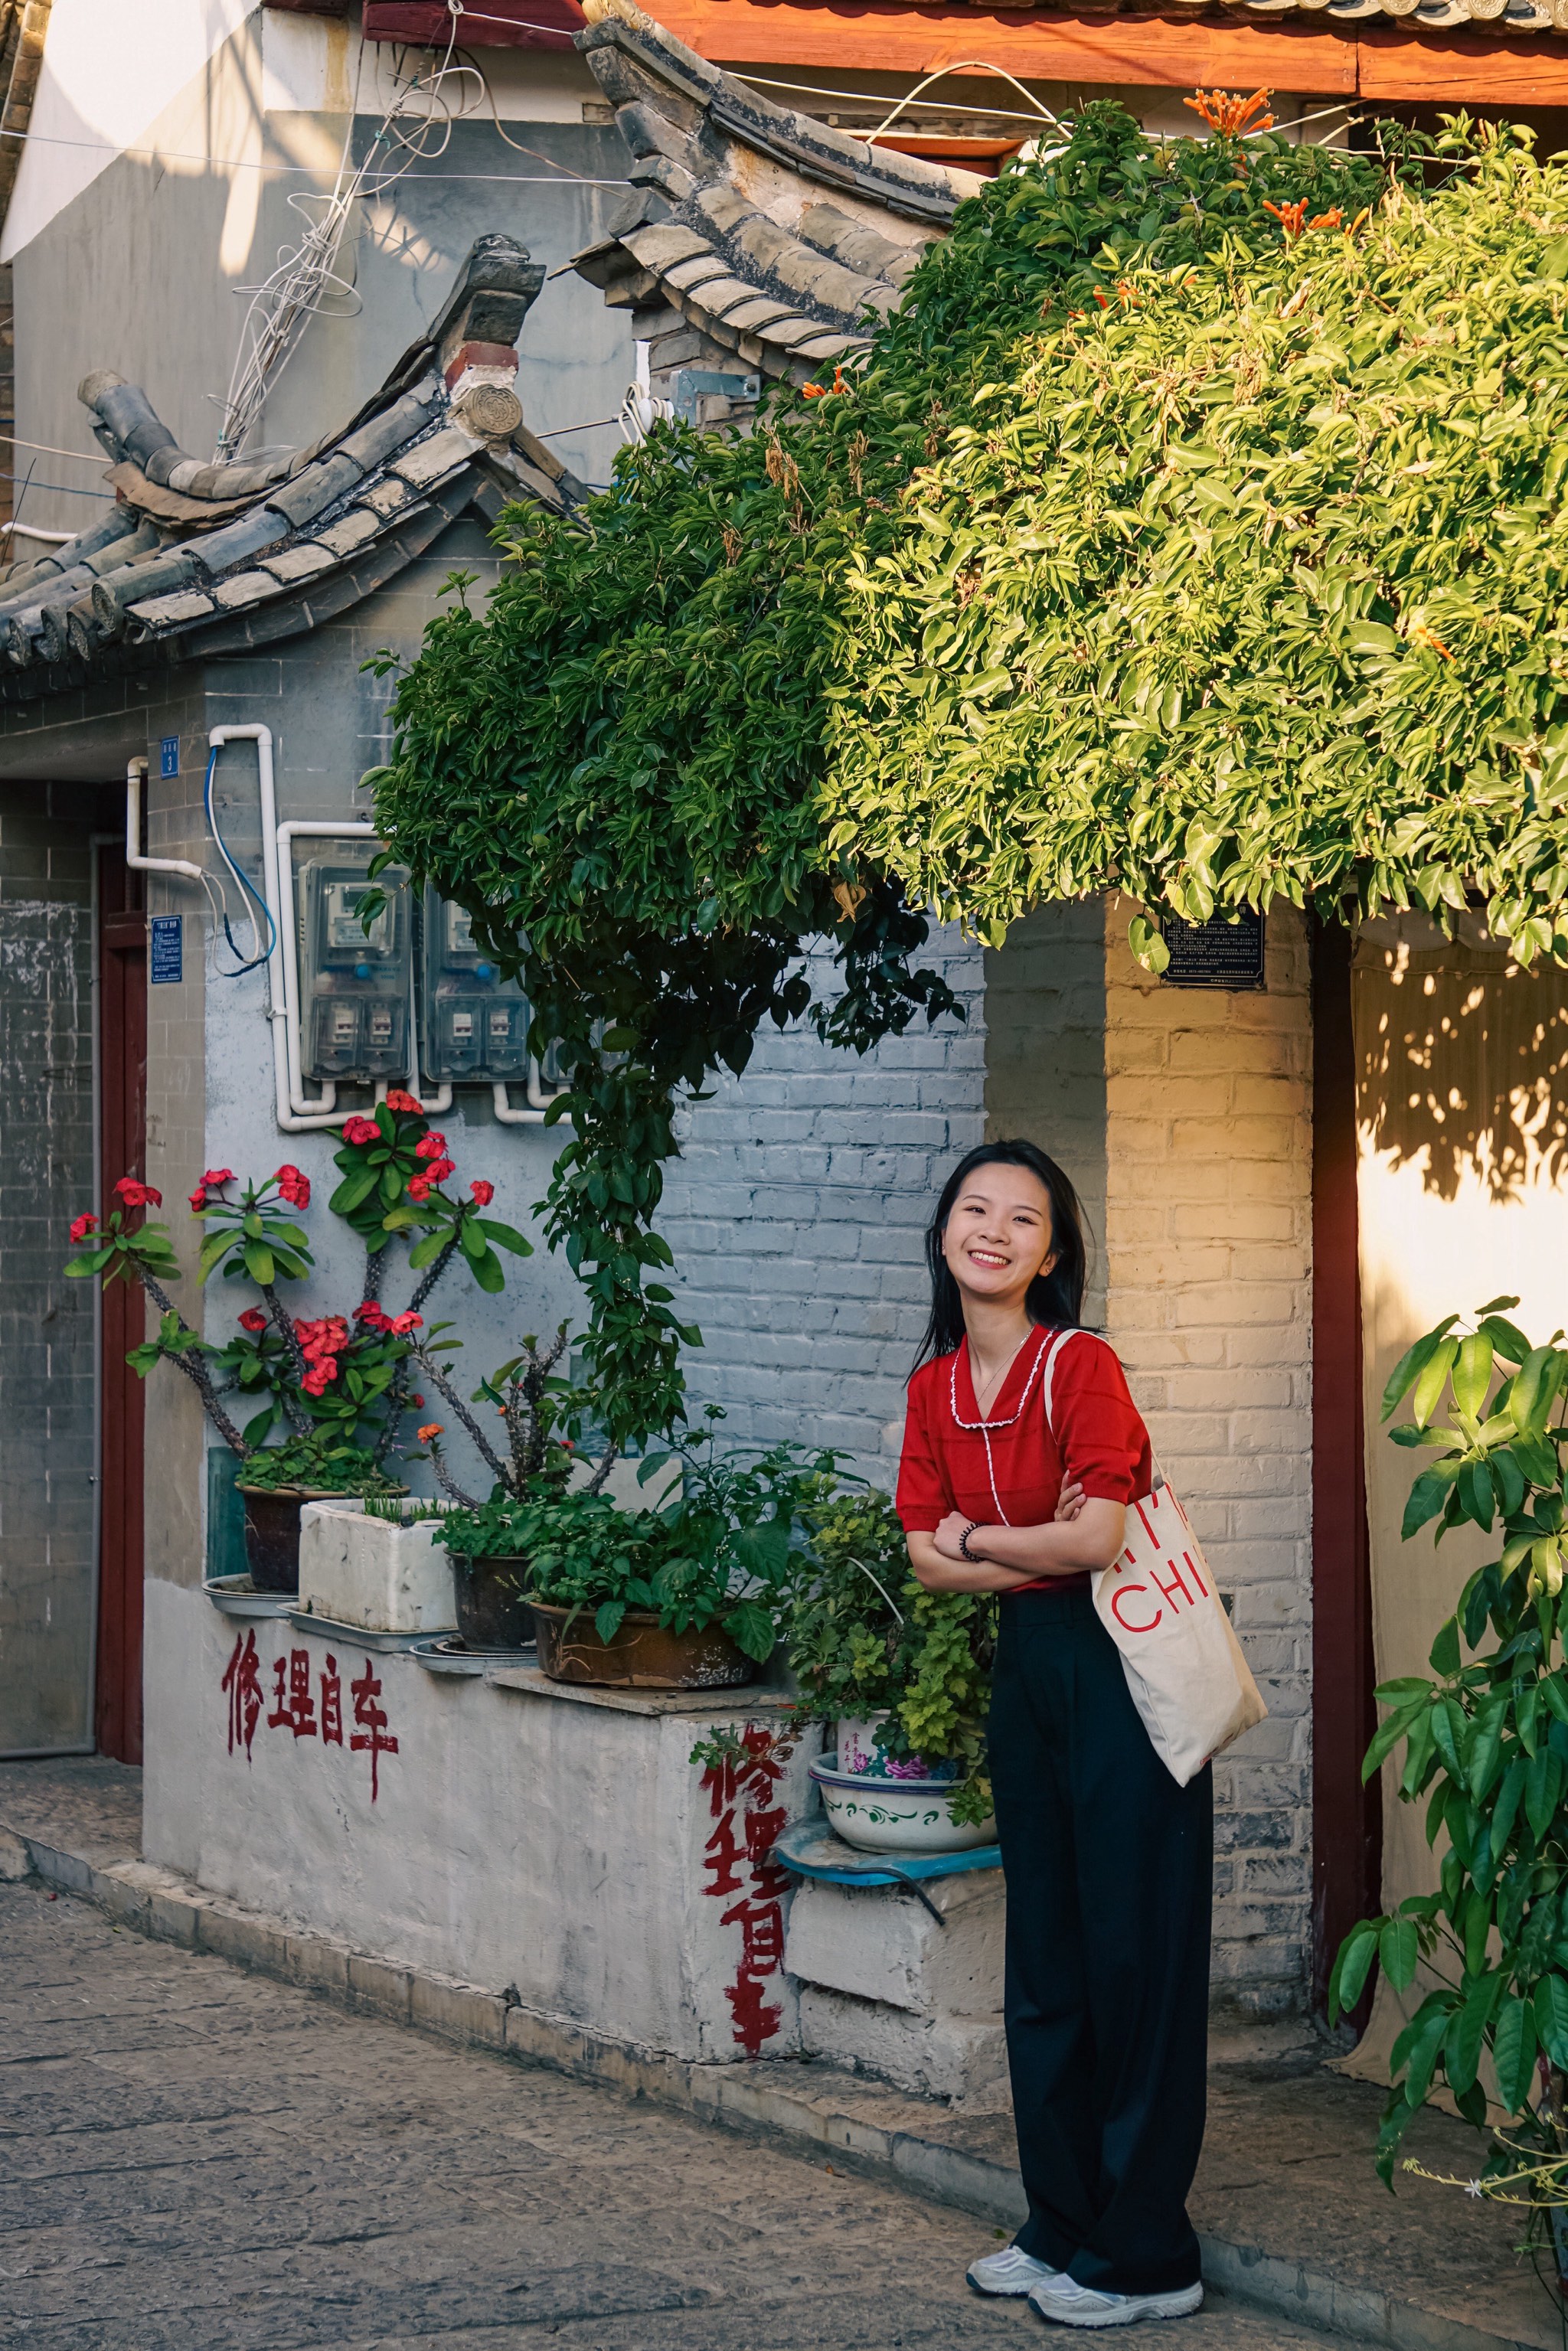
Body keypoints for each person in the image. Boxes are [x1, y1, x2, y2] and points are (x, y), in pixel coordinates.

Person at [897, 1140, 1210, 2330]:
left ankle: (1147, 2253)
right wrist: (983, 1546)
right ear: (944, 1236)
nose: (994, 1231)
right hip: (1030, 1668)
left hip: (1120, 1669)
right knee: (1050, 1961)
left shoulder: (1079, 1366)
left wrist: (979, 1540)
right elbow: (918, 1558)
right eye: (975, 1210)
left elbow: (1095, 1541)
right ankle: (1064, 2223)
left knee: (1137, 1960)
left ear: (1053, 1252)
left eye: (1022, 1219)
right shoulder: (935, 1389)